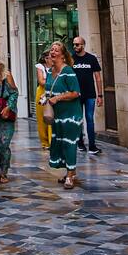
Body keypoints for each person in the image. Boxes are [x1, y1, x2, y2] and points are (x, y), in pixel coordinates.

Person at [45, 41, 82, 189]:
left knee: (69, 143)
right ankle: (70, 172)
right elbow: (49, 89)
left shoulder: (68, 71)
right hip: (57, 114)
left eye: (56, 50)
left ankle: (70, 175)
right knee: (60, 143)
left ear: (63, 55)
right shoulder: (49, 72)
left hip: (71, 114)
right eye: (51, 50)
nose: (52, 52)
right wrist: (46, 99)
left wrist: (58, 98)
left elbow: (75, 92)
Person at [71, 37, 104, 155]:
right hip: (76, 95)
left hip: (90, 94)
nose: (75, 47)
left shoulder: (91, 58)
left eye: (78, 45)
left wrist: (100, 95)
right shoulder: (71, 59)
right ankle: (80, 142)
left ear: (83, 45)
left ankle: (92, 145)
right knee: (78, 120)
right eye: (74, 44)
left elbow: (98, 78)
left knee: (90, 119)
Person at [34, 49, 51, 148]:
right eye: (49, 57)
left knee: (52, 116)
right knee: (42, 117)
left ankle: (52, 140)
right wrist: (52, 81)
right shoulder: (40, 67)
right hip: (42, 92)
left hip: (52, 91)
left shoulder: (56, 66)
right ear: (45, 59)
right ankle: (45, 142)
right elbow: (41, 81)